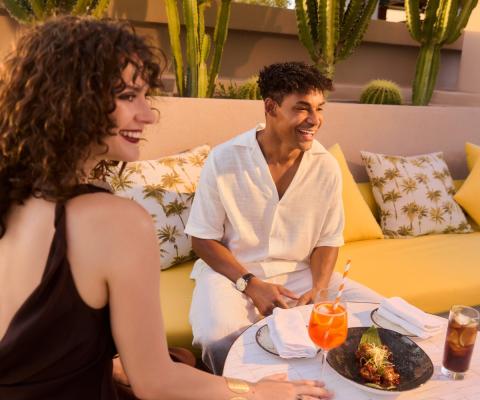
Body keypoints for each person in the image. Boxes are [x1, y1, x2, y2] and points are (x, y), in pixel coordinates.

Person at [0, 17, 333, 400]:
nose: (148, 114)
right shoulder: (116, 221)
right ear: (69, 99)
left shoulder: (14, 197)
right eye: (128, 96)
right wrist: (257, 391)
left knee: (182, 359)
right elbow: (156, 383)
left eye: (145, 96)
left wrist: (108, 363)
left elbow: (40, 341)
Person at [186, 62, 383, 374]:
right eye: (302, 108)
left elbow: (328, 239)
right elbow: (201, 238)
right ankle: (244, 392)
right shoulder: (224, 159)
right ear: (271, 107)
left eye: (319, 108)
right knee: (218, 336)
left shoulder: (326, 166)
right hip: (232, 274)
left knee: (378, 316)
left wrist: (319, 290)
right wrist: (250, 284)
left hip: (301, 274)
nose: (315, 120)